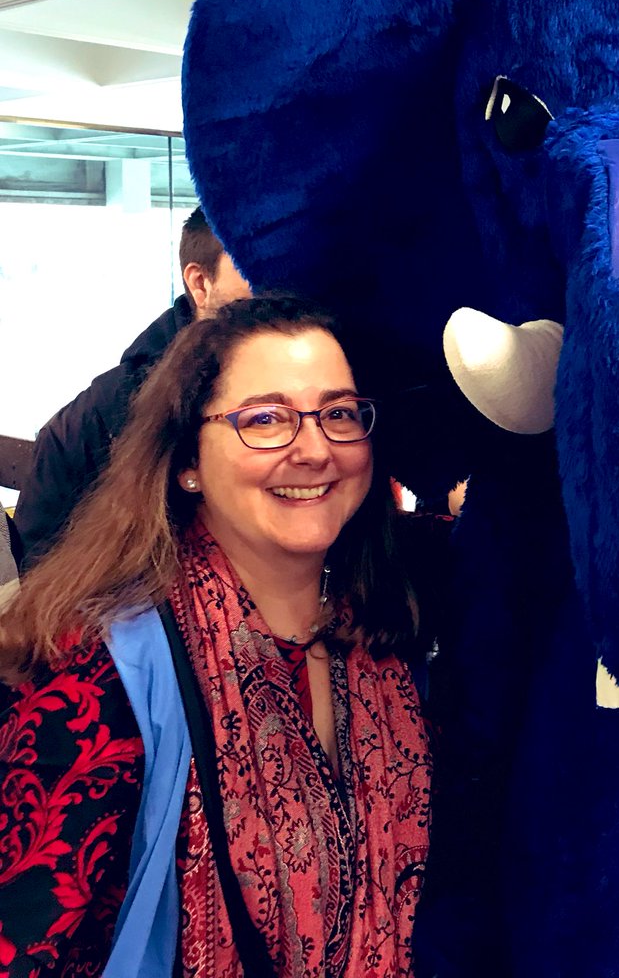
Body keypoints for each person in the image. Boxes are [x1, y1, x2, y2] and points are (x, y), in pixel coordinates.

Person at [0, 294, 432, 977]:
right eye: (266, 419)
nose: (316, 449)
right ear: (187, 461)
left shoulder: (386, 636)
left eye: (340, 414)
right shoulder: (95, 668)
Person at [14, 207, 252, 564]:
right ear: (201, 283)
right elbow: (42, 580)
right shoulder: (100, 419)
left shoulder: (341, 378)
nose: (280, 286)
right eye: (253, 266)